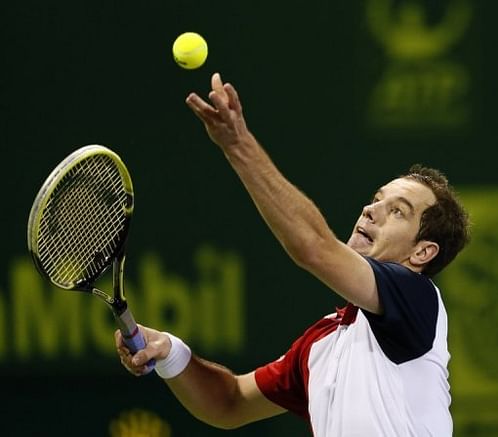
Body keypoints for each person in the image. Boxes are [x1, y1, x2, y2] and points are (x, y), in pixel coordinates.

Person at [116, 73, 470, 436]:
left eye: (398, 211)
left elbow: (313, 247)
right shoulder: (323, 342)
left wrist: (238, 146)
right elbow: (230, 402)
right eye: (377, 199)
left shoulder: (416, 300)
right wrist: (170, 352)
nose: (370, 210)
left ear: (422, 252)